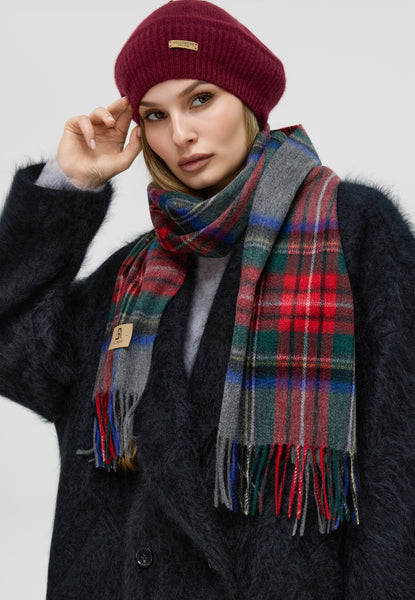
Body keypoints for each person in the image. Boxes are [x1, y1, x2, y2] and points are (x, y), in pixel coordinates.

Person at [0, 0, 414, 598]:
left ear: (246, 101)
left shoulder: (352, 232)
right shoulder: (136, 274)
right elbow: (15, 354)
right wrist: (70, 184)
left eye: (200, 100)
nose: (180, 134)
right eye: (155, 114)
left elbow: (399, 462)